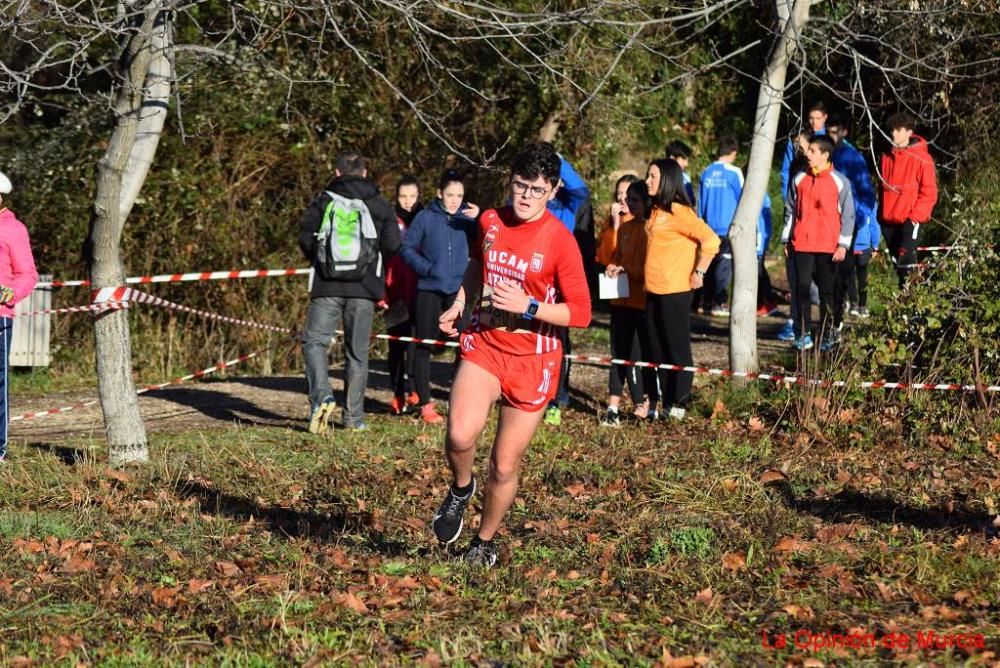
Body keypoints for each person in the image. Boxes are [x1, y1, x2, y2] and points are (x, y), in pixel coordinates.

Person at [430, 142, 591, 566]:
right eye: (520, 186)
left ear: (553, 191)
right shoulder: (489, 221)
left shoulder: (560, 241)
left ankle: (483, 542)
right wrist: (460, 302)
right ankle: (461, 488)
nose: (525, 196)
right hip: (486, 344)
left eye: (537, 190)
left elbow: (582, 313)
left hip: (533, 360)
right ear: (510, 182)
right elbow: (476, 267)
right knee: (460, 435)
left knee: (503, 465)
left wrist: (529, 306)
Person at [298, 151, 401, 433]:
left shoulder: (324, 201)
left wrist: (323, 262)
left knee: (315, 343)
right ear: (366, 173)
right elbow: (393, 243)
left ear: (338, 172)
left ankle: (322, 397)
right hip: (364, 290)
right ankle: (353, 419)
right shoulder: (378, 204)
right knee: (356, 354)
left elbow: (305, 237)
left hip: (326, 286)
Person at [399, 169, 480, 424]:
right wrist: (427, 268)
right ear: (439, 194)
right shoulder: (425, 217)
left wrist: (479, 220)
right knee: (423, 345)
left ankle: (462, 398)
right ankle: (425, 403)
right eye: (450, 195)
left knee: (466, 345)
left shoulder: (467, 218)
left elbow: (488, 242)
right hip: (429, 289)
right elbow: (406, 248)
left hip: (458, 290)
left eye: (459, 195)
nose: (455, 200)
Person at [644, 159, 720, 420]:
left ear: (666, 179)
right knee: (657, 350)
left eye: (652, 177)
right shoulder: (655, 210)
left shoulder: (680, 211)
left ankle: (680, 404)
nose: (647, 181)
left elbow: (711, 240)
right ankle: (666, 404)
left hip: (675, 289)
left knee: (676, 349)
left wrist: (700, 271)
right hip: (652, 290)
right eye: (647, 176)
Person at [781, 135, 856, 352]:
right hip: (802, 245)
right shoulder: (798, 179)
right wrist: (787, 239)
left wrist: (843, 245)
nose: (808, 154)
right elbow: (790, 212)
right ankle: (803, 334)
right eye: (808, 150)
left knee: (827, 293)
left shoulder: (840, 181)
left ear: (825, 155)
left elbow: (849, 216)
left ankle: (828, 333)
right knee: (801, 290)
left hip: (829, 248)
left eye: (813, 151)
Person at [602, 181, 656, 426]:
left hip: (641, 300)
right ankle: (612, 407)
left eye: (634, 200)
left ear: (646, 202)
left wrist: (629, 269)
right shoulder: (623, 227)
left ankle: (642, 401)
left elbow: (650, 265)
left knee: (637, 354)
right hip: (619, 298)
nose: (628, 203)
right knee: (617, 352)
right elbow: (612, 255)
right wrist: (613, 266)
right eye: (626, 199)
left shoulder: (651, 229)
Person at [543, 155, 591, 427]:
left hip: (558, 284)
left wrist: (558, 160)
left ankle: (557, 398)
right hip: (532, 282)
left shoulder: (567, 206)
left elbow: (582, 191)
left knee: (559, 341)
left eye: (558, 180)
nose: (556, 185)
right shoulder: (530, 204)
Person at [0, 170, 39, 464]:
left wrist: (10, 293)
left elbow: (27, 274)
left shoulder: (13, 229)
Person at [825, 115, 879, 325]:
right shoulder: (819, 153)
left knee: (844, 273)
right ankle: (829, 317)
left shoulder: (853, 157)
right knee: (825, 273)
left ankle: (836, 320)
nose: (832, 136)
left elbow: (867, 193)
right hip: (824, 224)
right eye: (828, 132)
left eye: (835, 131)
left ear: (844, 132)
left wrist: (857, 217)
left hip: (848, 223)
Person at [878, 111, 938, 287]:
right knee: (899, 266)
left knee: (907, 261)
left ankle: (913, 307)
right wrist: (880, 215)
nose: (893, 133)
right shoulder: (885, 157)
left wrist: (915, 217)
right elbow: (881, 188)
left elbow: (929, 193)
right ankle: (906, 307)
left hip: (910, 219)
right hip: (888, 220)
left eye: (898, 130)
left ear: (909, 132)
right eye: (892, 130)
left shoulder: (923, 159)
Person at [383, 175, 422, 415]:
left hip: (420, 291)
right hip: (394, 290)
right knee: (396, 347)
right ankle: (397, 394)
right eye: (403, 196)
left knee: (418, 346)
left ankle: (415, 390)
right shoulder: (388, 221)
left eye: (412, 196)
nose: (408, 202)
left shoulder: (425, 219)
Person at [697, 136, 743, 316]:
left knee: (708, 264)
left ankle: (704, 303)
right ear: (733, 153)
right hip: (727, 228)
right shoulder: (734, 172)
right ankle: (720, 303)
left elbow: (700, 202)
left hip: (707, 228)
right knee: (724, 265)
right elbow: (743, 200)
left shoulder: (706, 171)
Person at [776, 130, 815, 342]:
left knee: (815, 285)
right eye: (794, 145)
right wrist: (786, 236)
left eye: (800, 145)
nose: (797, 149)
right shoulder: (794, 169)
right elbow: (789, 206)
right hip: (795, 233)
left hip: (816, 236)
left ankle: (823, 327)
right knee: (796, 283)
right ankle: (797, 325)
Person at [780, 102, 828, 198]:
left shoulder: (830, 138)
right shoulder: (798, 138)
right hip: (798, 190)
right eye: (811, 118)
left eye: (818, 118)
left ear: (825, 117)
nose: (814, 122)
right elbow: (786, 169)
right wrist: (786, 197)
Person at [595, 174, 639, 271]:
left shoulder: (639, 221)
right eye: (619, 193)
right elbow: (605, 258)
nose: (622, 198)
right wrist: (615, 225)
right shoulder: (612, 219)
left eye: (627, 194)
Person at [756, 193, 778, 316]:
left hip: (759, 237)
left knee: (758, 271)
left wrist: (765, 238)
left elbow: (766, 219)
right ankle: (765, 302)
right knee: (758, 269)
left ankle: (766, 302)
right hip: (758, 236)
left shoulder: (762, 196)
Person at [666, 140, 696, 205]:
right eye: (684, 159)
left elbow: (691, 201)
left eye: (687, 160)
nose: (686, 164)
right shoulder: (659, 176)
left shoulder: (685, 178)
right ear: (672, 158)